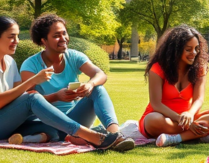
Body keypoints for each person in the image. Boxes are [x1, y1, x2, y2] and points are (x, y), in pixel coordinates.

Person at [0, 16, 122, 149]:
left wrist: (89, 85)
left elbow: (18, 97)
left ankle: (110, 135)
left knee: (50, 129)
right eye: (11, 37)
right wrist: (35, 80)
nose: (17, 41)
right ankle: (90, 135)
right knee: (32, 98)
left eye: (17, 36)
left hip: (5, 122)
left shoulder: (9, 61)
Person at [19, 14, 134, 152]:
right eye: (56, 36)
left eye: (64, 33)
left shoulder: (73, 56)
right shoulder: (31, 65)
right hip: (47, 122)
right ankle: (77, 136)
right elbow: (27, 102)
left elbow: (100, 74)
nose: (63, 39)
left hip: (75, 119)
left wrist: (90, 84)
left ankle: (115, 135)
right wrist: (56, 96)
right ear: (44, 40)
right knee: (51, 132)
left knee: (97, 89)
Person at [138, 25, 209, 147]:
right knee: (152, 119)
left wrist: (190, 114)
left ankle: (177, 138)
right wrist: (181, 119)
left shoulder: (199, 69)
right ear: (175, 50)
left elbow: (198, 99)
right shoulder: (157, 68)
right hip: (163, 119)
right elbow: (156, 104)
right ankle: (198, 134)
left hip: (188, 117)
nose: (194, 53)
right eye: (188, 49)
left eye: (196, 48)